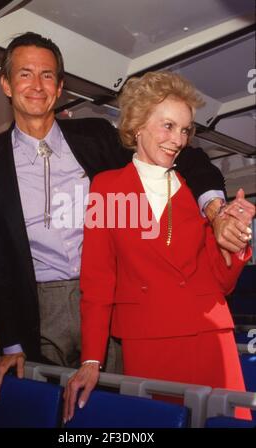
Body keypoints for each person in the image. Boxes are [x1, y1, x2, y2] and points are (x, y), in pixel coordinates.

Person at [0, 33, 252, 404]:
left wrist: (215, 211)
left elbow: (183, 156)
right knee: (52, 405)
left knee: (114, 401)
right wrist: (9, 338)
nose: (37, 86)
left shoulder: (95, 136)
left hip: (112, 301)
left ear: (61, 86)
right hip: (36, 300)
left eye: (48, 75)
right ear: (5, 83)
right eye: (25, 74)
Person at [63, 71, 255, 422]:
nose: (178, 139)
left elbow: (222, 282)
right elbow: (97, 280)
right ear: (137, 125)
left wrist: (238, 238)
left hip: (210, 336)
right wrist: (91, 359)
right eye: (168, 126)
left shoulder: (194, 185)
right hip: (148, 339)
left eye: (184, 130)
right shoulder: (106, 187)